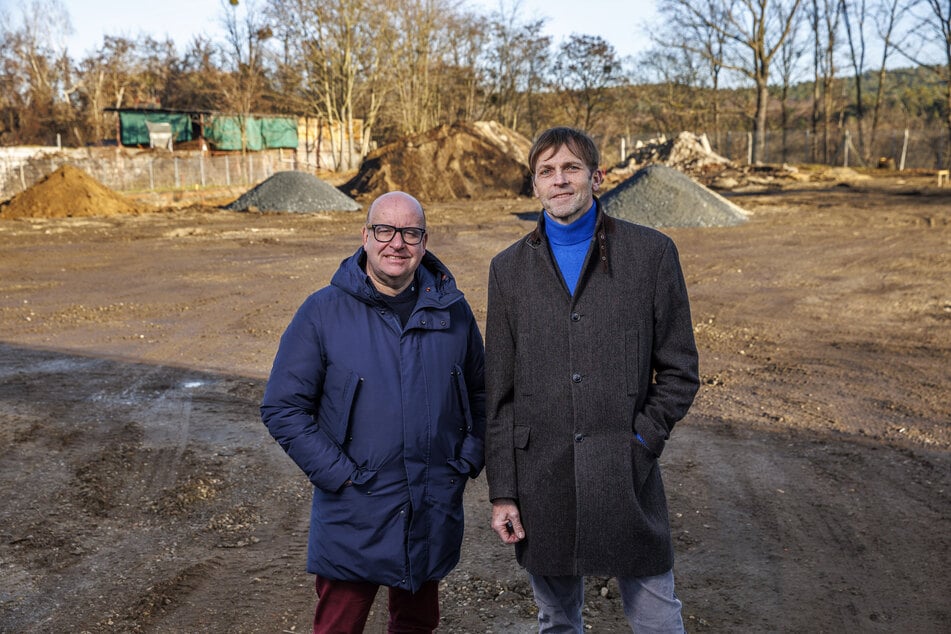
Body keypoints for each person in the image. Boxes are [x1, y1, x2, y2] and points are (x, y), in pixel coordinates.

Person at [485, 127, 700, 633]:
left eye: (571, 168)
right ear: (534, 185)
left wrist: (641, 441)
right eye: (546, 171)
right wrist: (504, 491)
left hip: (625, 471)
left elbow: (680, 369)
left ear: (597, 178)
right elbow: (499, 395)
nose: (559, 181)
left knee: (656, 618)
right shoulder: (508, 270)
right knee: (557, 620)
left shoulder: (651, 255)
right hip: (543, 477)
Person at [261, 191, 486, 633]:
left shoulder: (451, 312)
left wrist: (466, 460)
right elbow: (282, 407)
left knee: (416, 624)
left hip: (429, 503)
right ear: (365, 236)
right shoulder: (322, 311)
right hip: (355, 508)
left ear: (424, 241)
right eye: (385, 230)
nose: (396, 243)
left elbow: (481, 394)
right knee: (339, 627)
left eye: (410, 233)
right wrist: (340, 475)